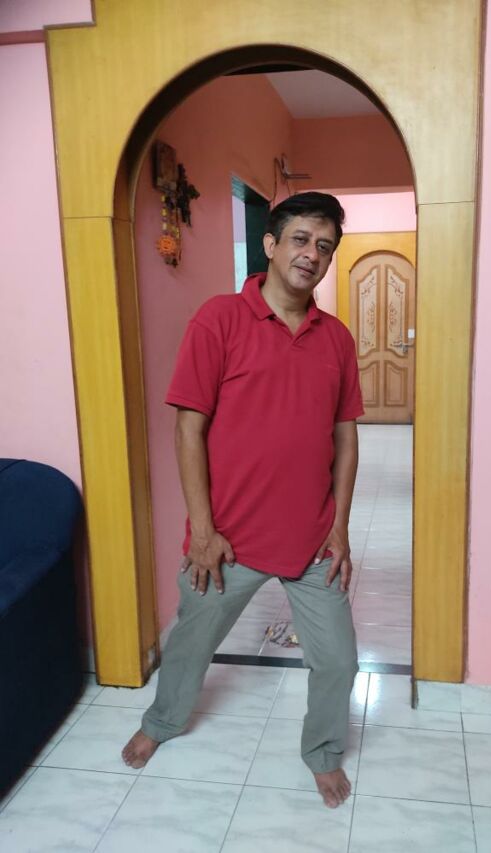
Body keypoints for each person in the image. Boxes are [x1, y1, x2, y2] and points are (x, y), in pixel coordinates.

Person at [122, 192, 363, 809]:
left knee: (339, 660)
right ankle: (162, 722)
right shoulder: (220, 320)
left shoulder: (336, 339)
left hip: (311, 539)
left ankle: (323, 753)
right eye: (301, 239)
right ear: (271, 244)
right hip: (226, 540)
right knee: (189, 643)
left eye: (325, 246)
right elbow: (188, 429)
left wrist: (339, 527)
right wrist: (203, 532)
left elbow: (345, 437)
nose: (312, 255)